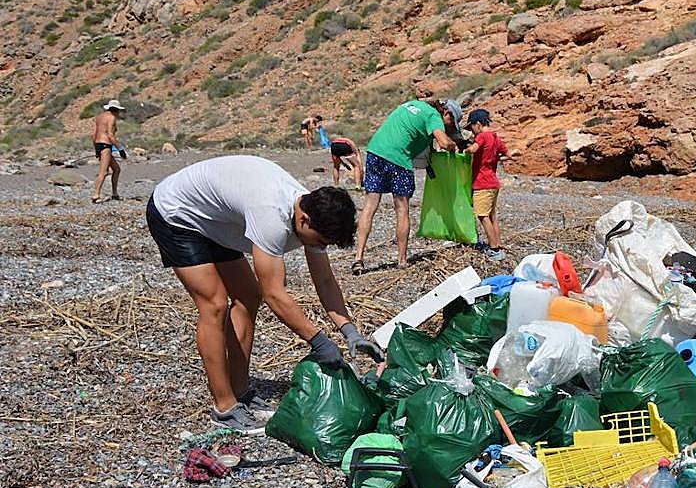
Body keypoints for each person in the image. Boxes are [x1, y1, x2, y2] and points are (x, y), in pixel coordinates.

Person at [145, 155, 384, 435]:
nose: (321, 247)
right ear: (304, 220)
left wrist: (350, 332)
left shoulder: (311, 212)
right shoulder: (272, 216)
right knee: (215, 304)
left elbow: (325, 281)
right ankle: (224, 409)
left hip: (215, 220)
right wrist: (319, 341)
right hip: (177, 214)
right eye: (320, 241)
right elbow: (275, 294)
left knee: (247, 296)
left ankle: (241, 390)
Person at [352, 98, 463, 274]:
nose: (450, 127)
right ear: (447, 113)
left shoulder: (413, 104)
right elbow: (443, 142)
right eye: (451, 123)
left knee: (369, 206)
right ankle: (402, 260)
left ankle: (358, 258)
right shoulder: (435, 116)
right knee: (402, 209)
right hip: (398, 159)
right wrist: (453, 146)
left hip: (375, 151)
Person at [464, 109, 509, 261]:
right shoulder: (495, 137)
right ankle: (498, 244)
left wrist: (467, 150)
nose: (472, 131)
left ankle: (494, 248)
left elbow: (474, 149)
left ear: (478, 124)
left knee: (482, 215)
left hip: (482, 183)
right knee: (492, 215)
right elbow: (505, 153)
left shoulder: (482, 136)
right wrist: (492, 159)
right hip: (493, 182)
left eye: (471, 127)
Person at [91, 99, 126, 204]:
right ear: (116, 110)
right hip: (106, 145)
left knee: (116, 169)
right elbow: (110, 135)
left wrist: (96, 149)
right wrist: (120, 149)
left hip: (98, 144)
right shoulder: (111, 118)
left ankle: (115, 194)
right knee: (104, 172)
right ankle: (96, 195)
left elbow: (94, 134)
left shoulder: (99, 117)